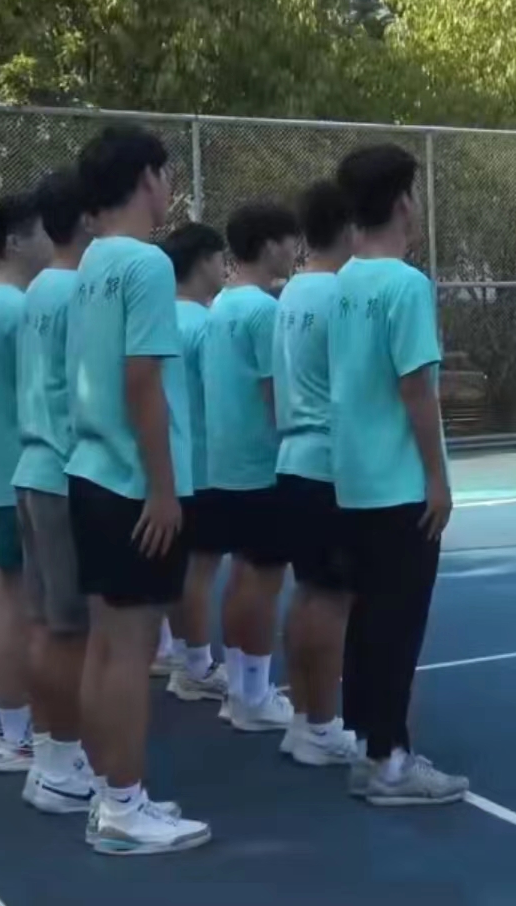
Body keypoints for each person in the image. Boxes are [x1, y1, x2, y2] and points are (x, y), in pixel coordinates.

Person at [66, 125, 209, 855]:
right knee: (129, 647)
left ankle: (111, 793)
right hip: (129, 482)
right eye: (166, 172)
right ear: (148, 178)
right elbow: (142, 380)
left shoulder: (91, 261)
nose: (169, 185)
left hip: (90, 473)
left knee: (105, 645)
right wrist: (162, 489)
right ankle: (124, 807)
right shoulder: (147, 265)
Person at [329, 145, 467, 806]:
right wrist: (437, 479)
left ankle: (370, 748)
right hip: (398, 483)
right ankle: (390, 762)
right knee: (398, 625)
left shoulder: (343, 281)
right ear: (402, 200)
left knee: (366, 621)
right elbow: (416, 388)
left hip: (353, 479)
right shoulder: (405, 285)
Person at [14, 167, 101, 817]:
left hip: (34, 468)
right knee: (70, 630)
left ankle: (51, 757)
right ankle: (63, 763)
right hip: (65, 473)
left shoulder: (38, 287)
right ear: (90, 219)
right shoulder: (76, 292)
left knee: (49, 626)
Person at [273, 180, 360, 766]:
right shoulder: (339, 294)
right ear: (350, 227)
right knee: (333, 600)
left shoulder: (292, 293)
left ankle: (306, 718)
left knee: (309, 594)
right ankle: (322, 724)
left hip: (293, 461)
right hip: (329, 463)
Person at [204, 201, 299, 732]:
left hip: (226, 464)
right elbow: (274, 392)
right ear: (267, 246)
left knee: (242, 576)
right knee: (262, 581)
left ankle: (241, 689)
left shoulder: (220, 305)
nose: (294, 249)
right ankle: (255, 697)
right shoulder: (264, 311)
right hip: (261, 464)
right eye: (288, 240)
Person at [0, 192, 52, 773]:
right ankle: (12, 729)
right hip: (12, 471)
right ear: (17, 241)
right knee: (12, 599)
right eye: (45, 231)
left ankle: (8, 723)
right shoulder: (12, 308)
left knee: (6, 595)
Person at [158, 222, 231, 704]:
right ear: (202, 261)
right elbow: (220, 396)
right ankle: (197, 666)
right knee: (200, 569)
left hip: (168, 463)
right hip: (202, 464)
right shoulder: (205, 326)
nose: (224, 267)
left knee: (181, 568)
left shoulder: (160, 320)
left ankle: (185, 656)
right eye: (219, 258)